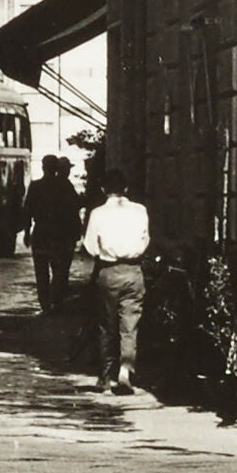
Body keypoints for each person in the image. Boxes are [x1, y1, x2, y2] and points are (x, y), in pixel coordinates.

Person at [81, 163, 154, 394]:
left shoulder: (98, 213)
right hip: (133, 272)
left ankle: (104, 376)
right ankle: (125, 371)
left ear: (103, 189)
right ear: (126, 188)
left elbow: (90, 246)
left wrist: (105, 251)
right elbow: (145, 240)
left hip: (109, 272)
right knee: (130, 325)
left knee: (106, 325)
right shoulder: (140, 211)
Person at [19, 154, 84, 320]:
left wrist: (26, 232)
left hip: (40, 233)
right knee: (59, 270)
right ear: (56, 168)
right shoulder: (65, 186)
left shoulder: (35, 186)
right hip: (59, 234)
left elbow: (27, 210)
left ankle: (45, 305)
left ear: (43, 167)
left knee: (41, 272)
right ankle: (56, 301)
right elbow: (75, 207)